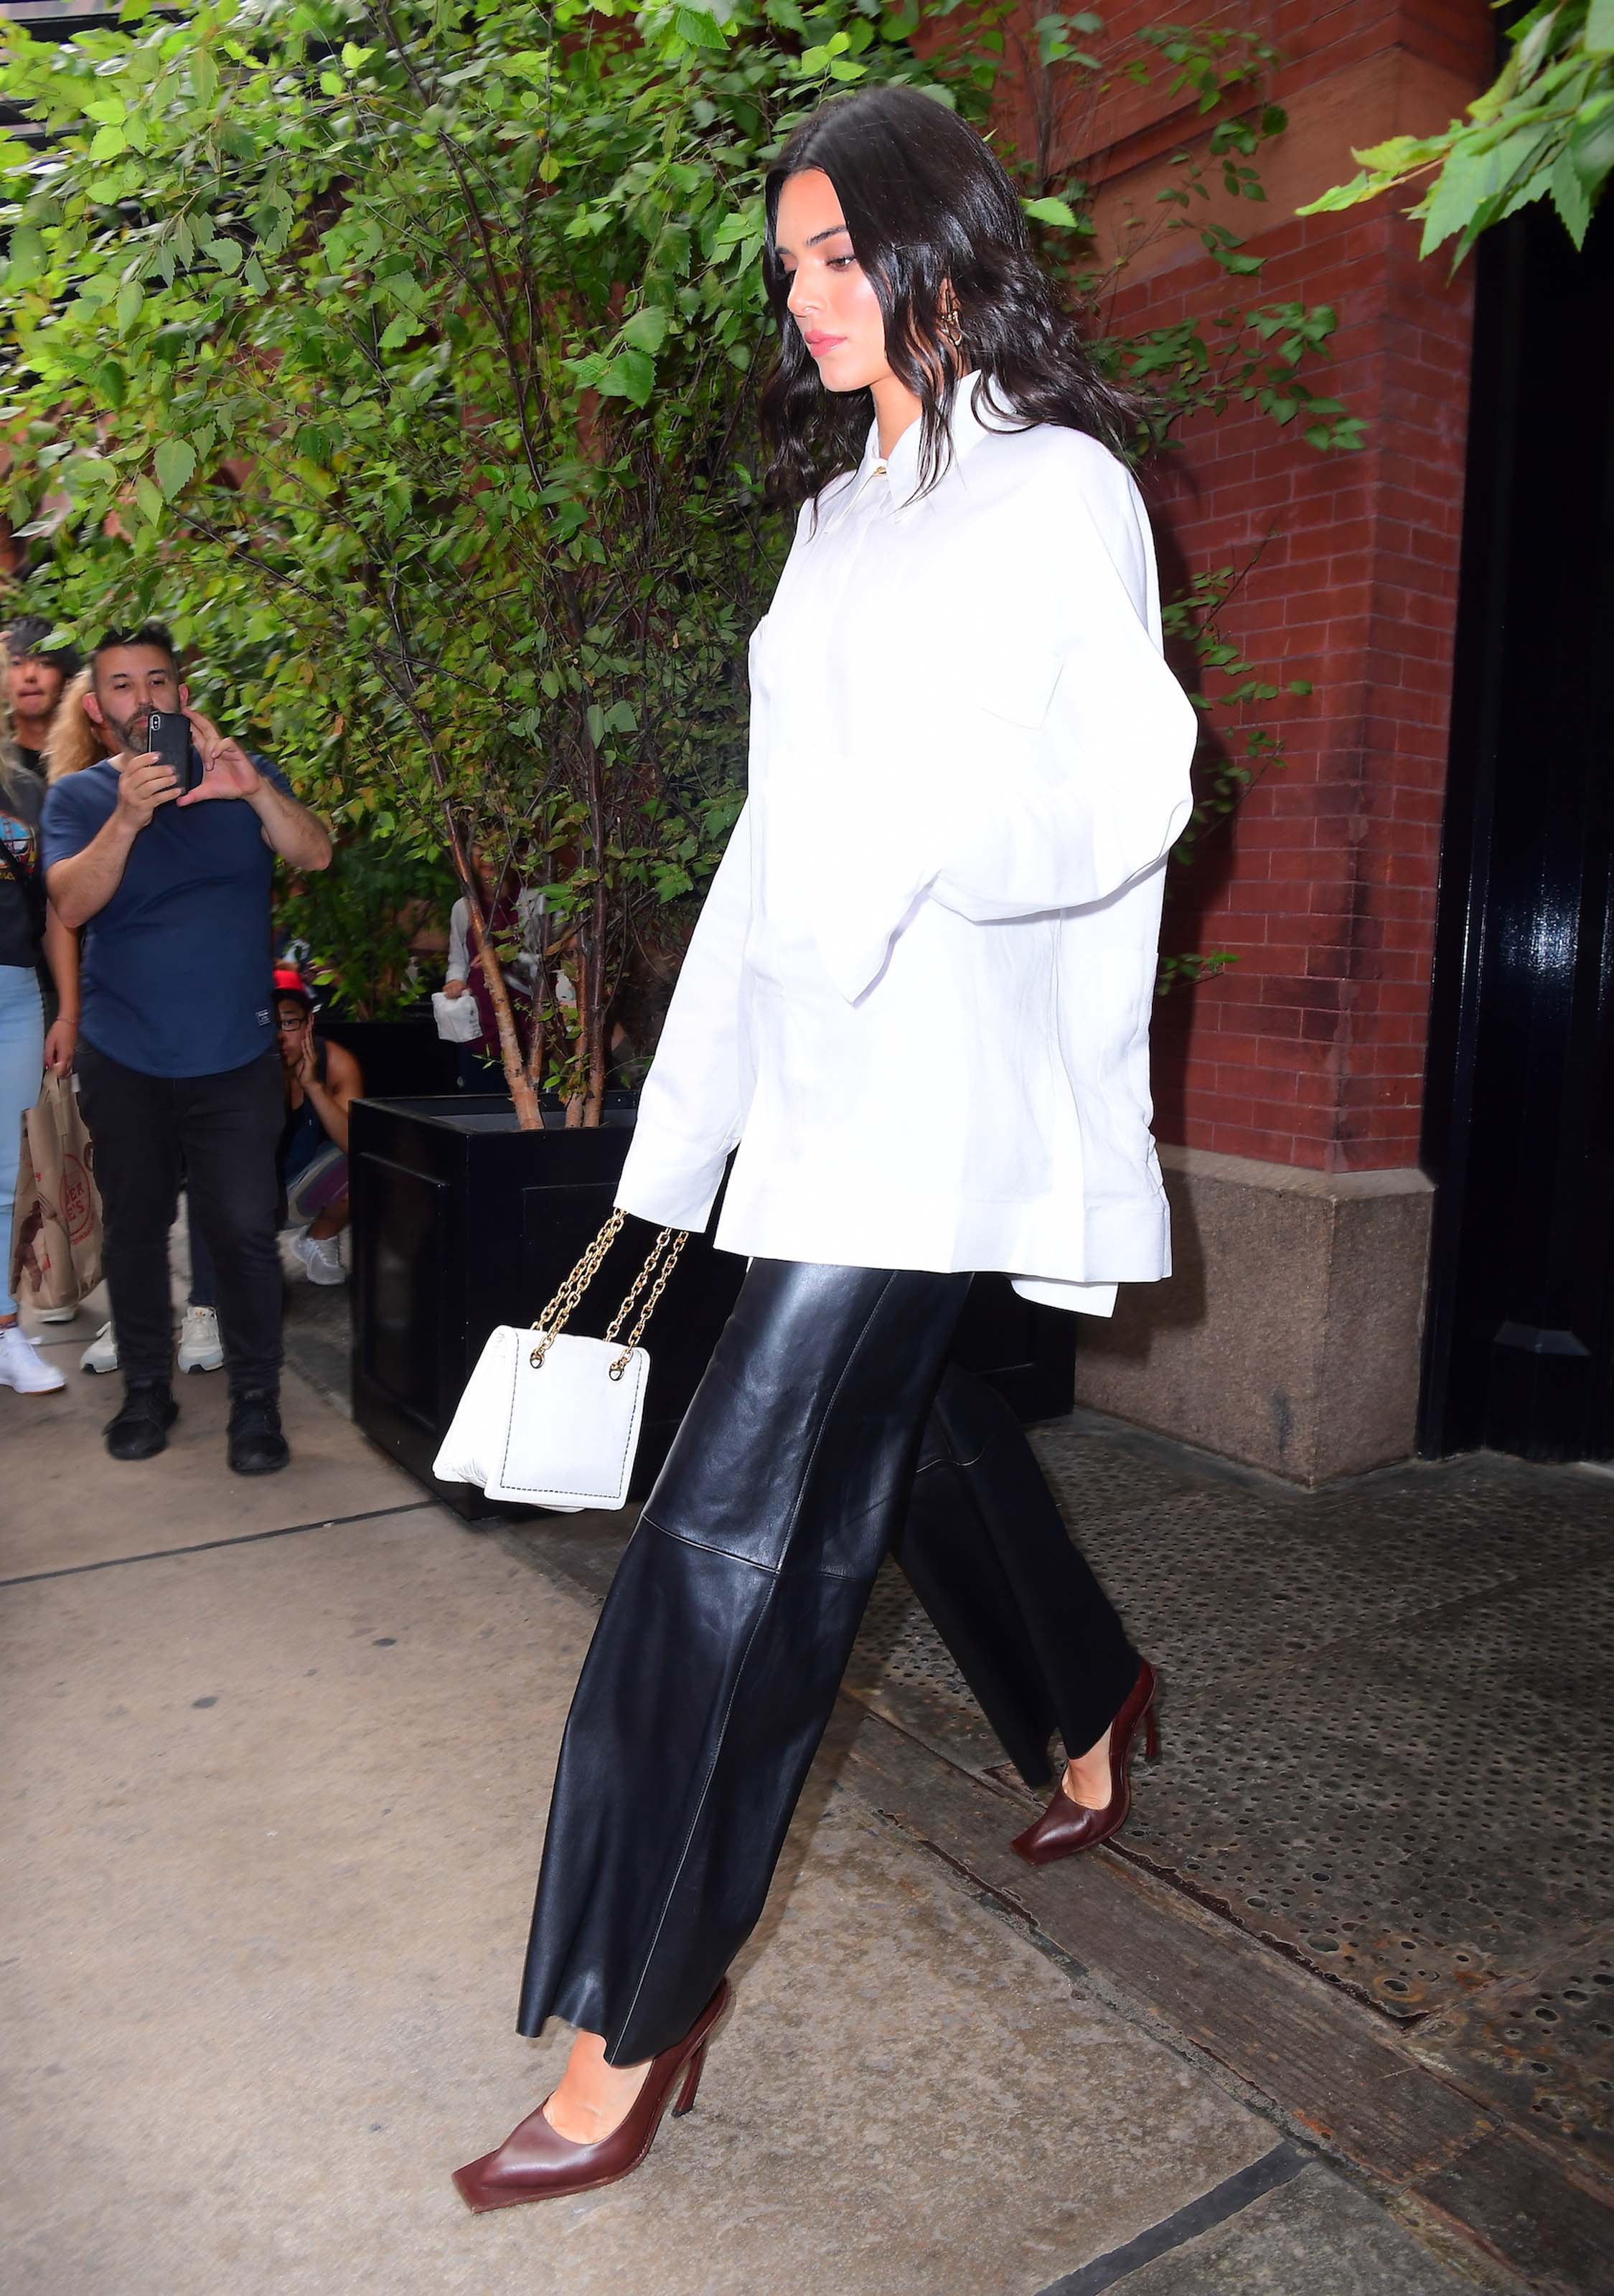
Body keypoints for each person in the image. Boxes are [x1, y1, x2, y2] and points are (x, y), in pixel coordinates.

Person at [452, 86, 1198, 2213]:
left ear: (935, 243)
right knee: (907, 1429)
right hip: (818, 1087)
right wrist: (684, 1115)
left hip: (944, 1092)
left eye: (831, 254)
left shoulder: (1055, 489)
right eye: (784, 266)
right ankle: (1084, 1692)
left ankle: (631, 2003)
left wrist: (902, 852)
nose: (804, 298)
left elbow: (1128, 779)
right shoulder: (833, 521)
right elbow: (775, 844)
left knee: (736, 1531)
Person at [41, 624, 333, 1472]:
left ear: (181, 692)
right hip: (125, 1053)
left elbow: (314, 852)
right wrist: (130, 817)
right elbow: (68, 904)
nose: (144, 698)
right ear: (99, 710)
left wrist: (254, 793)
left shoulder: (240, 776)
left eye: (158, 681)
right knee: (134, 1229)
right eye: (123, 686)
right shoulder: (80, 800)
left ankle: (255, 1401)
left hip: (234, 1054)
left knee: (243, 1229)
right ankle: (145, 1390)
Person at [0, 702, 78, 1394]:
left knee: (4, 1181)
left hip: (16, 995)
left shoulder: (25, 788)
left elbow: (54, 907)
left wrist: (67, 1008)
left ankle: (4, 1332)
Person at [4, 616, 83, 781]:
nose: (30, 675)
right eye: (17, 663)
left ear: (67, 680)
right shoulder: (3, 766)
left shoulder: (91, 757)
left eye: (44, 663)